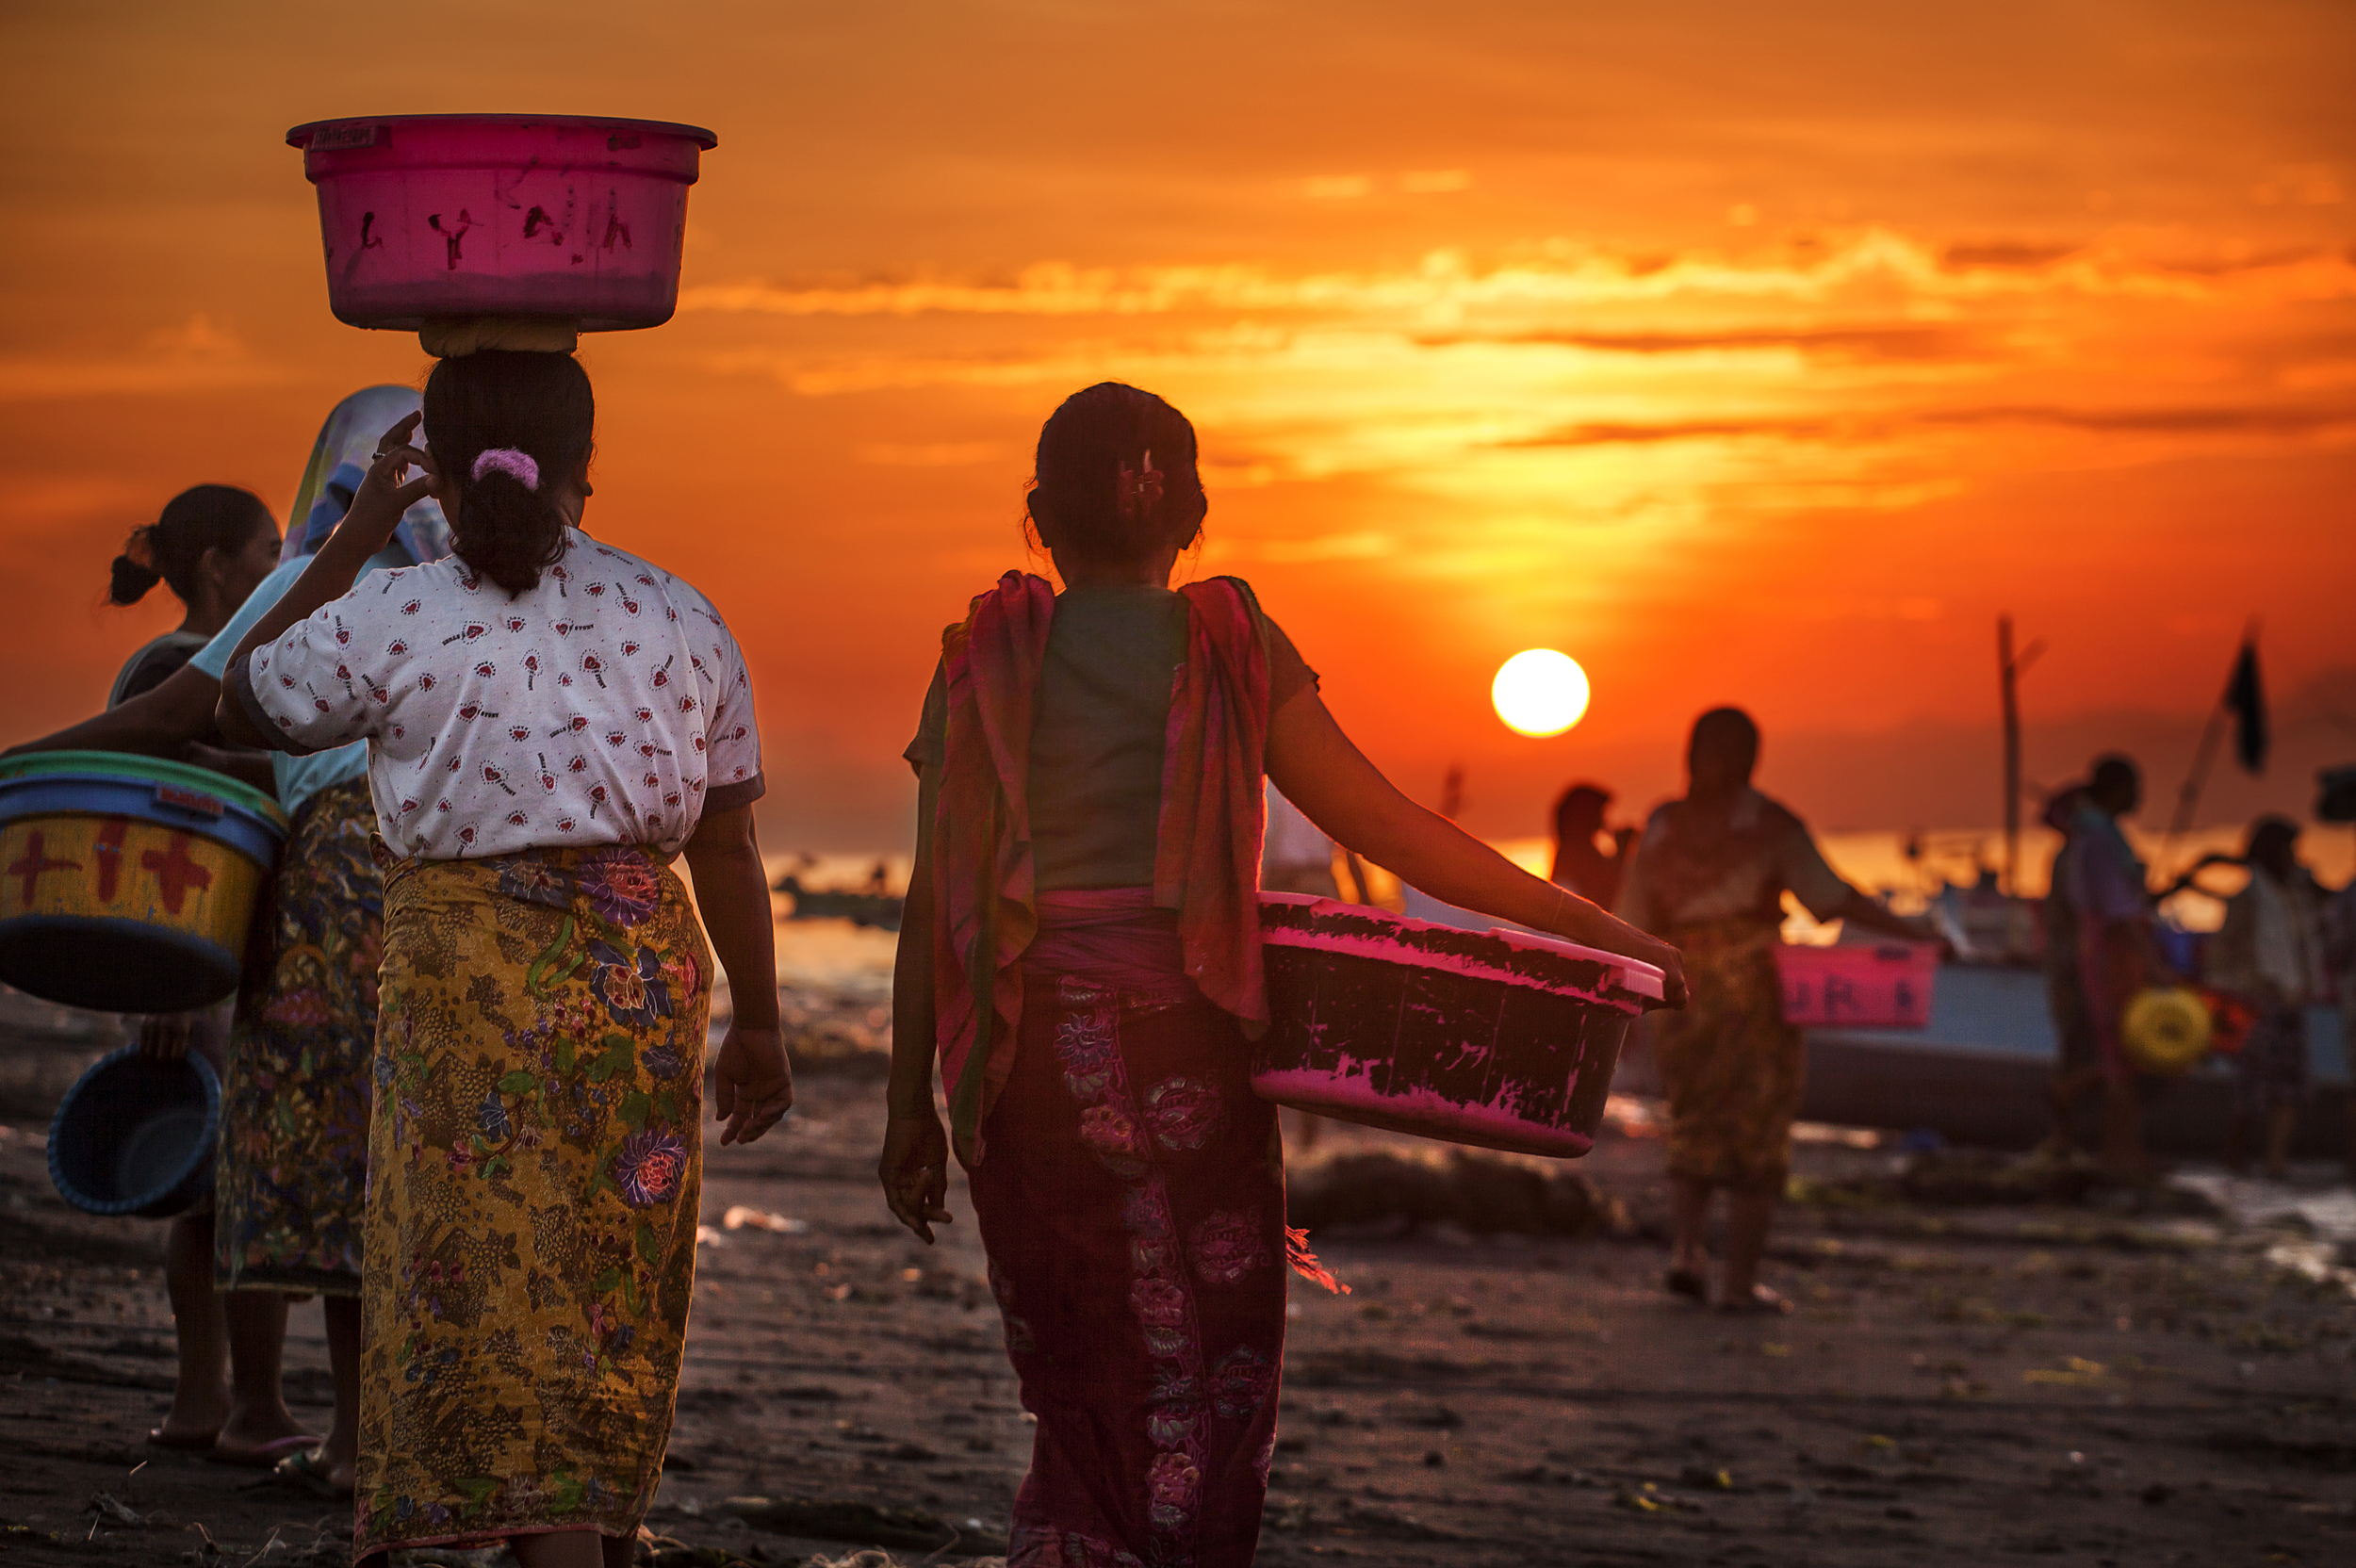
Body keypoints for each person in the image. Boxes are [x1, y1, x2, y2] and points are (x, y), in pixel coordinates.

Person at [880, 382, 1684, 1566]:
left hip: (1023, 1070)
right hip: (1186, 1058)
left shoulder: (981, 657)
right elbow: (1404, 835)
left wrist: (910, 1106)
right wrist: (1616, 937)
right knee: (1208, 1372)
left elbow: (928, 900)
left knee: (1081, 1371)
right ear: (1193, 514)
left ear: (1039, 517)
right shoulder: (1231, 641)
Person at [213, 350, 792, 1568]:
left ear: (431, 467)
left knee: (462, 1267)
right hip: (637, 989)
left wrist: (362, 526)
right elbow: (729, 844)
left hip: (462, 991)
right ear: (591, 463)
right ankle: (590, 1518)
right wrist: (763, 1023)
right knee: (608, 1271)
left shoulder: (394, 608)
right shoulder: (679, 612)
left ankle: (520, 1529)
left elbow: (249, 694)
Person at [13, 388, 459, 1500]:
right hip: (455, 900)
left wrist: (22, 765)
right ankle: (376, 1439)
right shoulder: (472, 597)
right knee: (407, 1166)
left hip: (338, 894)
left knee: (327, 1159)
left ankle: (351, 1437)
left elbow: (180, 724)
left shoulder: (313, 585)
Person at [74, 485, 303, 1464]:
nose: (277, 567)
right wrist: (168, 990)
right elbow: (154, 837)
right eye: (265, 551)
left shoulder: (178, 668)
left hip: (213, 962)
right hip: (202, 964)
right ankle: (241, 1399)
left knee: (215, 1195)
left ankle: (207, 1398)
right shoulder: (175, 672)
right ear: (216, 565)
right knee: (235, 1189)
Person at [1617, 707, 1937, 1314]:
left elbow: (1630, 916)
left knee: (1691, 1115)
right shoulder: (1770, 824)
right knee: (1758, 1127)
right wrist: (1912, 932)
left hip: (1680, 983)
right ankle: (1739, 1283)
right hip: (1755, 988)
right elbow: (1832, 897)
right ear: (1750, 759)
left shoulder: (1661, 825)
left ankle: (1686, 1253)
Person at [2051, 754, 2168, 1180]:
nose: (2140, 797)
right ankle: (2120, 1154)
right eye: (2135, 788)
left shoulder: (2094, 835)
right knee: (2122, 1056)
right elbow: (2118, 914)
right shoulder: (2099, 841)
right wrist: (2155, 968)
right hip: (2112, 956)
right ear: (2118, 789)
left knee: (2125, 1054)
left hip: (2107, 951)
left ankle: (2124, 1150)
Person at [2207, 816, 2325, 1180]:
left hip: (2290, 1002)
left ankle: (2276, 1162)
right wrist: (2251, 987)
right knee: (2252, 1089)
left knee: (2288, 1088)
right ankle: (2233, 1159)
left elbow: (2305, 949)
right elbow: (2221, 955)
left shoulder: (2296, 899)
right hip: (2256, 1005)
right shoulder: (2248, 899)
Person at [1549, 781, 1631, 908]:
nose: (1603, 820)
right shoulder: (1575, 859)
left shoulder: (1576, 856)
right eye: (1599, 813)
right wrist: (1623, 852)